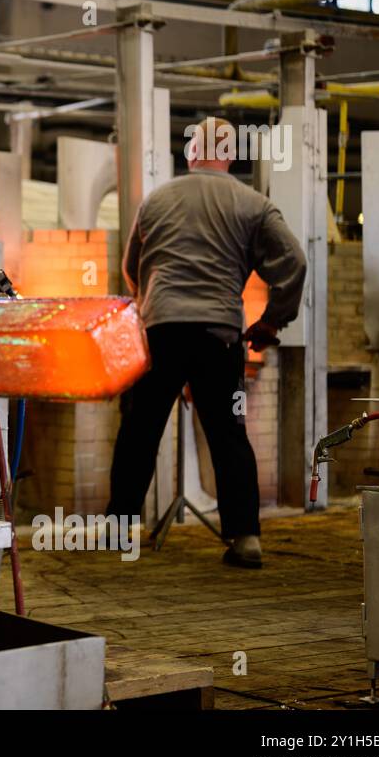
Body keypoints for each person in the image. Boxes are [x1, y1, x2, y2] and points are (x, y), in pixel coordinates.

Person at [106, 116, 307, 568]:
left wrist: (153, 305)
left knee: (139, 428)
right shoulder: (253, 204)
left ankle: (119, 528)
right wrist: (271, 323)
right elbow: (294, 263)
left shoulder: (157, 199)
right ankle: (245, 538)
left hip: (160, 333)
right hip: (219, 336)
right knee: (229, 433)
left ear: (191, 151)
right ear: (231, 153)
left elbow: (132, 267)